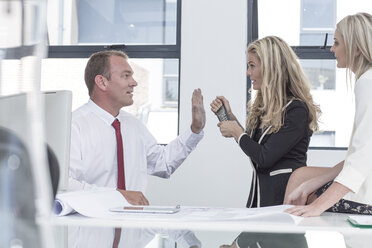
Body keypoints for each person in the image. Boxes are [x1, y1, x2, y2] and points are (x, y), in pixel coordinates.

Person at [68, 50, 205, 247]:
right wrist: (117, 196)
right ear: (102, 82)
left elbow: (163, 164)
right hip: (88, 236)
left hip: (131, 237)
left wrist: (195, 130)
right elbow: (65, 185)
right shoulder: (74, 125)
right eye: (126, 75)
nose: (134, 82)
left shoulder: (133, 125)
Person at [210, 36, 320, 208]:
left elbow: (264, 157)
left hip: (284, 203)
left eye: (252, 66)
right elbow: (254, 148)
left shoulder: (296, 110)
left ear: (270, 68)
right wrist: (231, 118)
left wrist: (236, 132)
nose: (248, 72)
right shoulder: (265, 108)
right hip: (259, 201)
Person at [285, 12, 372, 217]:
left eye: (336, 42)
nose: (332, 49)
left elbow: (363, 157)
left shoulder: (367, 83)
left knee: (301, 185)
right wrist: (313, 183)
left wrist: (317, 206)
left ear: (357, 49)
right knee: (302, 178)